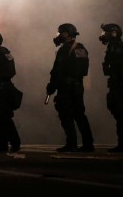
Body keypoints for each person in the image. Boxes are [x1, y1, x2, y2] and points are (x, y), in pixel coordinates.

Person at [46, 23, 94, 152]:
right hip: (78, 86)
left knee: (66, 115)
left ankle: (71, 143)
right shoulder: (81, 48)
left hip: (66, 87)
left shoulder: (64, 49)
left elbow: (57, 70)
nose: (59, 35)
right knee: (79, 115)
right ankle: (88, 143)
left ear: (67, 34)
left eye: (61, 33)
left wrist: (51, 86)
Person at [100, 23, 123, 153]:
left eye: (107, 32)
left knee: (120, 113)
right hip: (116, 84)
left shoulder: (118, 47)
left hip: (119, 85)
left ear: (114, 33)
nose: (104, 35)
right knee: (118, 112)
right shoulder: (113, 46)